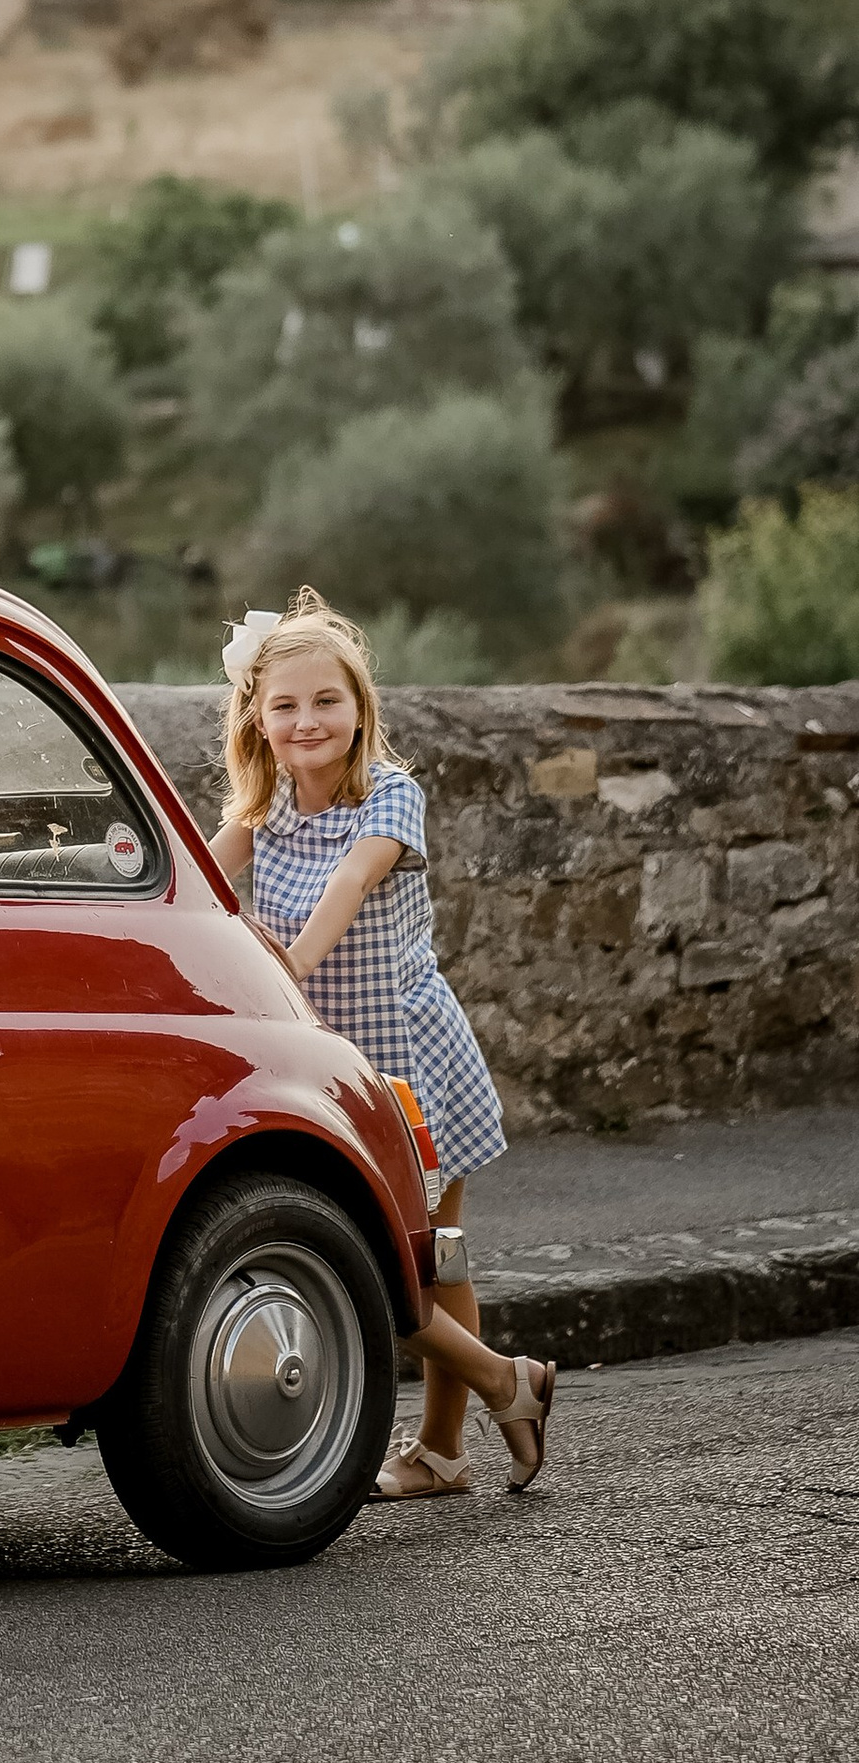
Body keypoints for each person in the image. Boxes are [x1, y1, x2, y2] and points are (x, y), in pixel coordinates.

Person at [210, 589, 556, 1499]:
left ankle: (448, 1442)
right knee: (409, 1257)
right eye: (285, 705)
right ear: (257, 719)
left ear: (361, 709)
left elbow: (351, 887)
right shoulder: (261, 809)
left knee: (426, 1257)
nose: (308, 721)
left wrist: (287, 972)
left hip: (405, 1060)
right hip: (325, 1070)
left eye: (327, 700)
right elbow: (196, 881)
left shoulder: (392, 797)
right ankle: (502, 1391)